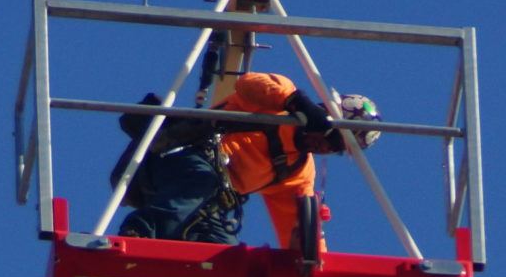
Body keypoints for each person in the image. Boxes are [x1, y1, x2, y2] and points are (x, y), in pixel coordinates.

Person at [211, 74, 377, 250]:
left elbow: (299, 223)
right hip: (192, 158)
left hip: (209, 201)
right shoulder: (279, 100)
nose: (327, 148)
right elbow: (247, 84)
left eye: (338, 149)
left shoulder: (297, 171)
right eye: (334, 139)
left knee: (224, 256)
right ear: (325, 113)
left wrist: (313, 256)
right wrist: (297, 103)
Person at [110, 93, 243, 243]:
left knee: (223, 244)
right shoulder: (178, 136)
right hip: (172, 164)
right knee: (200, 178)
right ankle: (139, 231)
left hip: (197, 196)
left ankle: (222, 261)